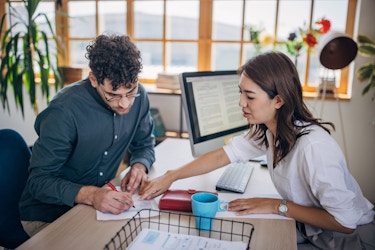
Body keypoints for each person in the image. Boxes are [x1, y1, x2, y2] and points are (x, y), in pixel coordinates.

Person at [139, 51, 375, 249]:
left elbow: (345, 222)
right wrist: (171, 176)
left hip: (348, 240)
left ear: (279, 100)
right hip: (314, 231)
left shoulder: (314, 148)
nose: (241, 103)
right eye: (240, 92)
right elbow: (224, 154)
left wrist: (276, 205)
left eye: (249, 96)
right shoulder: (270, 129)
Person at [19, 34, 155, 237]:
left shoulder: (140, 96)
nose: (125, 103)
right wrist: (91, 195)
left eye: (130, 91)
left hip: (97, 205)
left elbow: (144, 143)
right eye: (114, 95)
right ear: (93, 79)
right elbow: (39, 182)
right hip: (47, 214)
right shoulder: (64, 111)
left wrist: (139, 165)